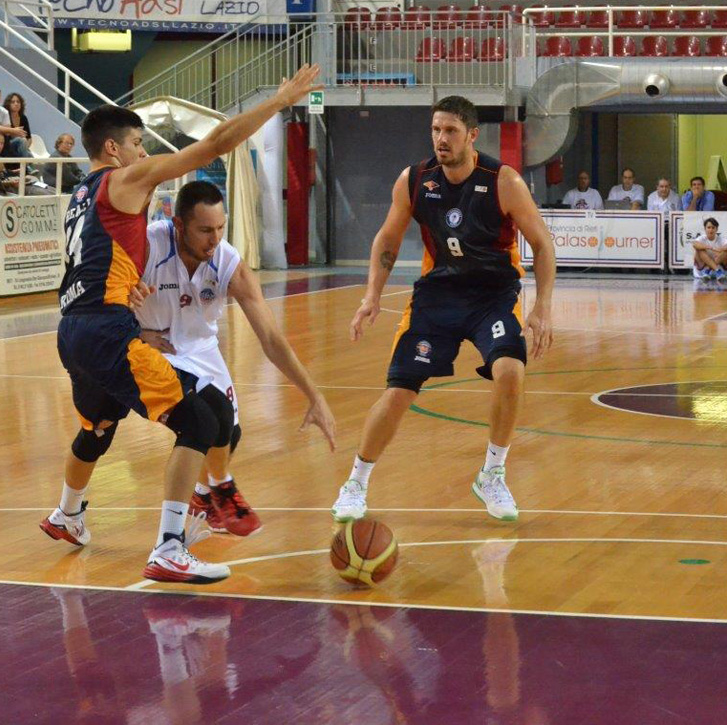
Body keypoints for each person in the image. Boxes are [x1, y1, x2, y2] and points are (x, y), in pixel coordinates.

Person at [41, 65, 331, 585]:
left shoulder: (81, 195)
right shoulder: (125, 179)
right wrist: (278, 100)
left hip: (74, 328)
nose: (144, 155)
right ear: (113, 149)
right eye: (138, 144)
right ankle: (170, 547)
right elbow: (215, 143)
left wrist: (125, 287)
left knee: (97, 427)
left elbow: (93, 261)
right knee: (201, 419)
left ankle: (67, 514)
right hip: (105, 331)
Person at [330, 96, 555, 526]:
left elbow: (543, 245)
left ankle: (492, 474)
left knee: (510, 370)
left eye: (450, 130)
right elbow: (387, 239)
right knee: (399, 392)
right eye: (436, 130)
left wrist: (542, 307)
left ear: (472, 135)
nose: (441, 139)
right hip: (437, 297)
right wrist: (371, 296)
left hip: (492, 296)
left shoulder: (503, 181)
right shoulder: (415, 179)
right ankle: (355, 482)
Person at [132, 181, 331, 536]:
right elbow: (99, 298)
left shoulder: (226, 260)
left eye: (221, 228)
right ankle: (217, 492)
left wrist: (314, 395)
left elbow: (270, 337)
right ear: (178, 225)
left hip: (201, 347)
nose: (215, 239)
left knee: (230, 432)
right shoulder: (147, 246)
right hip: (152, 347)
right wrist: (134, 331)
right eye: (205, 230)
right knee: (207, 420)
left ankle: (202, 496)